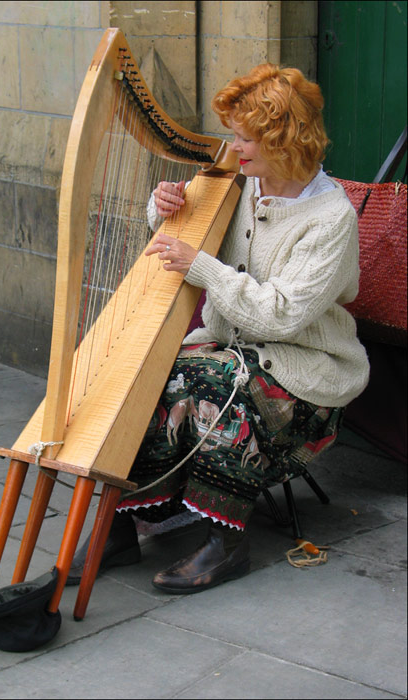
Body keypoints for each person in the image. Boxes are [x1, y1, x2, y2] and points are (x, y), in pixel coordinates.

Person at [67, 63, 370, 594]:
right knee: (138, 374)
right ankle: (117, 528)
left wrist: (201, 265)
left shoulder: (331, 218)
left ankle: (224, 542)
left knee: (206, 385)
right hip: (228, 349)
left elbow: (279, 316)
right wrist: (161, 207)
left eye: (246, 137)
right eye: (235, 134)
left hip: (303, 374)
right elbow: (178, 230)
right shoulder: (241, 180)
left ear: (283, 140)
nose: (234, 146)